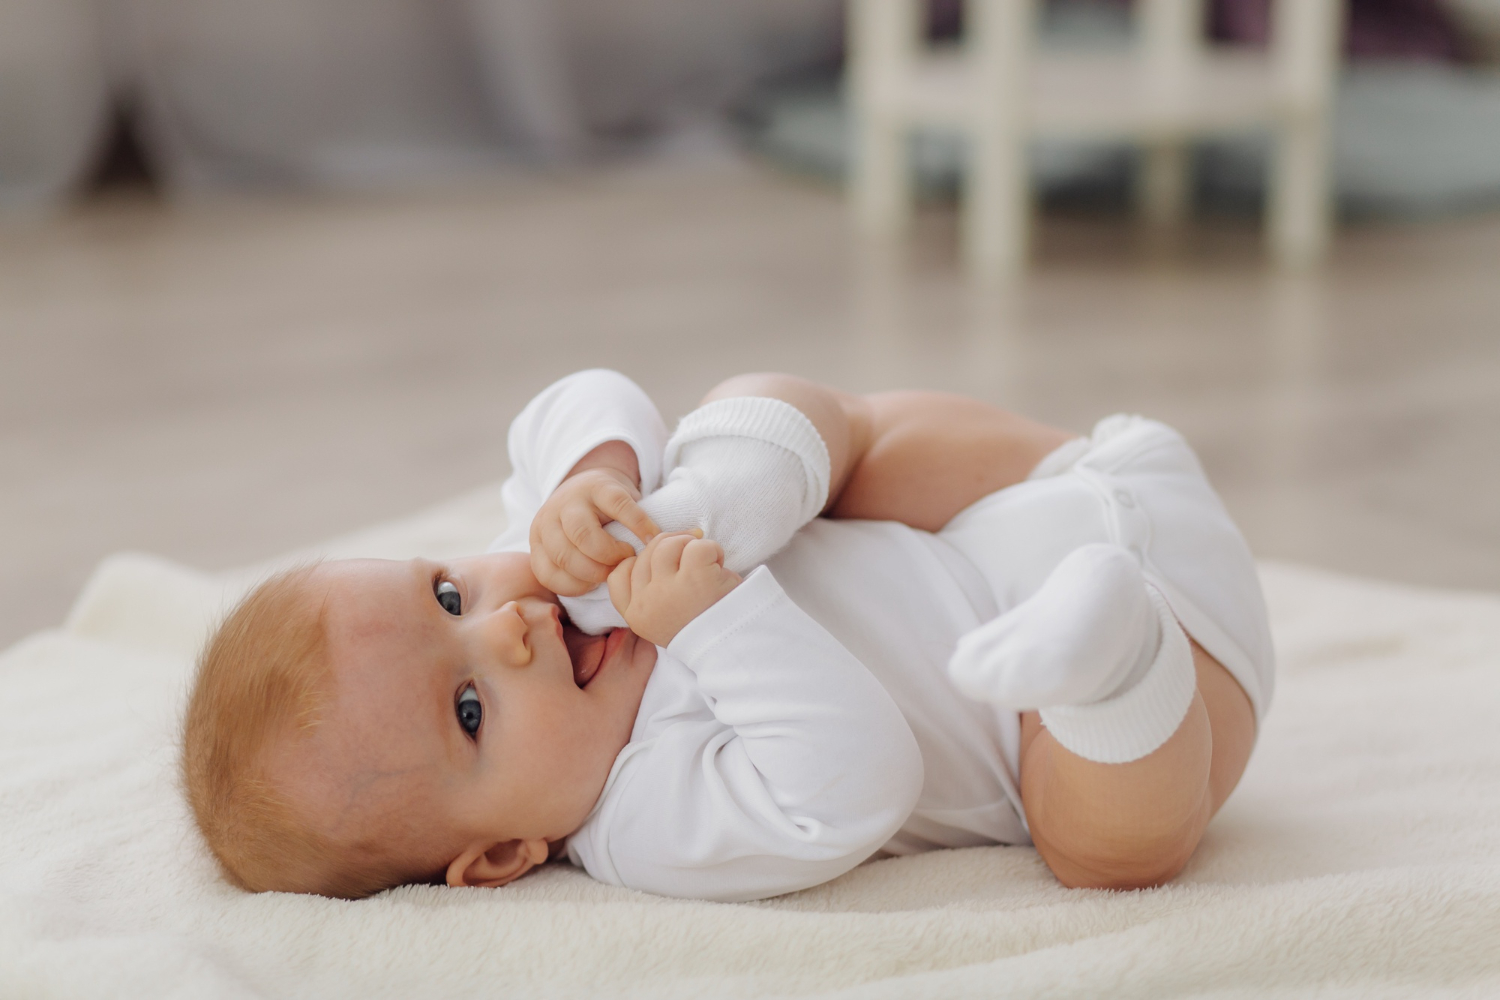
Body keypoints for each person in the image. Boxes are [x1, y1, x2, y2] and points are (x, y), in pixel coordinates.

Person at [182, 370, 1270, 901]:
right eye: (469, 710)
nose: (510, 626)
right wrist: (715, 621)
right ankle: (1110, 653)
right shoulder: (643, 819)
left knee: (826, 433)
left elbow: (583, 394)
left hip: (1034, 495)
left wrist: (598, 474)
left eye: (445, 597)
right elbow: (856, 783)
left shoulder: (554, 549)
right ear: (507, 852)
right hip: (1157, 688)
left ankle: (751, 478)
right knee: (1101, 847)